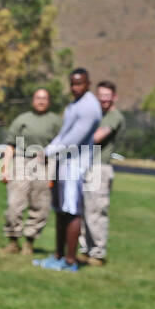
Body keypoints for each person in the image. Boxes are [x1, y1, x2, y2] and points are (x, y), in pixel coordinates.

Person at [36, 68, 102, 272]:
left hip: (75, 164)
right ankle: (59, 255)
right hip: (63, 162)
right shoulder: (74, 105)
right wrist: (48, 151)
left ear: (88, 83)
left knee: (72, 212)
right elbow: (63, 134)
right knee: (61, 211)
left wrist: (48, 152)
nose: (75, 87)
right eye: (72, 83)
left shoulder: (90, 107)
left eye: (79, 83)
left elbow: (74, 139)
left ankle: (70, 261)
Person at [0, 87, 59, 255]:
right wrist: (5, 168)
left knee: (40, 205)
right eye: (38, 98)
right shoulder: (22, 119)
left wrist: (53, 173)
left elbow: (62, 146)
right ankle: (13, 241)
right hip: (22, 161)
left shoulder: (55, 121)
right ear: (33, 100)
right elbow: (10, 145)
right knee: (14, 204)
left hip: (44, 164)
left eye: (44, 98)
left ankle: (29, 242)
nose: (41, 101)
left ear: (49, 101)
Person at [80, 80, 123, 266]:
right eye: (101, 96)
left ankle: (98, 253)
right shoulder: (95, 114)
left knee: (97, 211)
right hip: (85, 165)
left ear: (114, 97)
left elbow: (97, 137)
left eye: (107, 96)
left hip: (100, 168)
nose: (104, 99)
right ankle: (84, 249)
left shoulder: (114, 116)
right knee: (84, 210)